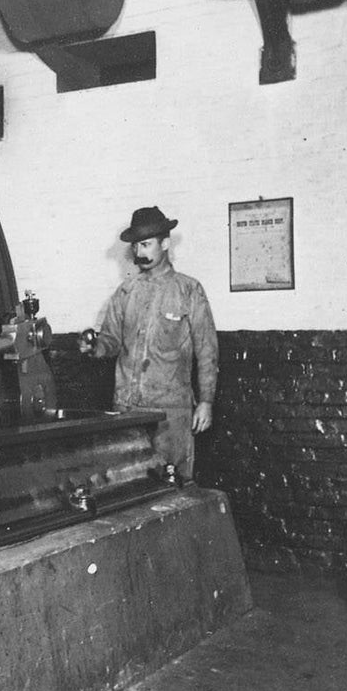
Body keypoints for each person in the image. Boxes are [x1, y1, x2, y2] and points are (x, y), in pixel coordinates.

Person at [80, 205, 217, 483]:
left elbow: (206, 351)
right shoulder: (125, 292)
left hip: (171, 414)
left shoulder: (189, 290)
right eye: (135, 246)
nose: (139, 253)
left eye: (146, 244)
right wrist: (93, 346)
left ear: (165, 243)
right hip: (127, 411)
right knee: (125, 488)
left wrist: (206, 402)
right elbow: (111, 342)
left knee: (175, 489)